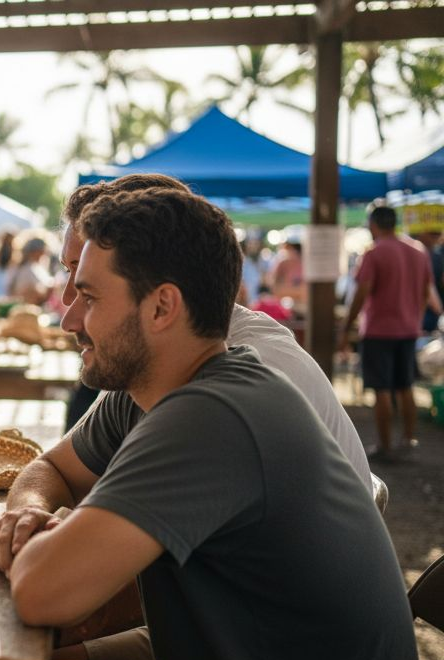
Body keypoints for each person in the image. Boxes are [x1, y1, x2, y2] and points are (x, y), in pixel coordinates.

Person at [0, 186, 425, 660]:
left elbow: (47, 592)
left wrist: (38, 547)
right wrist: (28, 520)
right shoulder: (167, 383)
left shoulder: (215, 415)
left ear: (162, 308)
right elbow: (50, 472)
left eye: (88, 295)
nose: (68, 317)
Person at [56, 174, 371, 488]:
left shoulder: (244, 383)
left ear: (161, 298)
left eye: (88, 284)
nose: (68, 302)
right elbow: (56, 469)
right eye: (69, 272)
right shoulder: (159, 361)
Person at [342, 205, 437, 458]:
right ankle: (409, 439)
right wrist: (414, 315)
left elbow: (362, 293)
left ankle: (385, 445)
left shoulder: (374, 253)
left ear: (373, 225)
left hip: (378, 331)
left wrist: (347, 325)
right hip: (408, 329)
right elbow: (426, 291)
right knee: (406, 386)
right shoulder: (418, 252)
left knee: (381, 389)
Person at [6, 236, 56, 306]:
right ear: (35, 252)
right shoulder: (28, 269)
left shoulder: (29, 267)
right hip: (27, 309)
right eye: (42, 251)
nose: (44, 254)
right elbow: (37, 292)